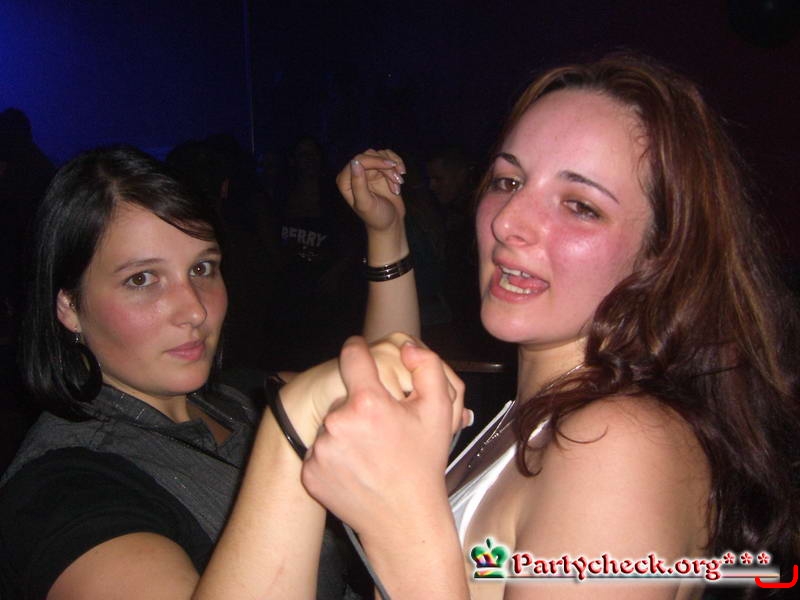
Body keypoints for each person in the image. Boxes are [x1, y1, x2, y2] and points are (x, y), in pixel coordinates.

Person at [299, 53, 800, 599]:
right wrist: (388, 235)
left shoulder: (615, 448)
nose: (507, 221)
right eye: (508, 180)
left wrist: (400, 526)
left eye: (580, 205)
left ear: (662, 254)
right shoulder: (541, 415)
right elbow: (385, 385)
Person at [0, 144, 442, 598]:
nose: (194, 309)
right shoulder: (61, 489)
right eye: (142, 279)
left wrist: (387, 234)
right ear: (69, 307)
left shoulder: (237, 399)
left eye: (202, 268)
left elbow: (387, 390)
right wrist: (291, 425)